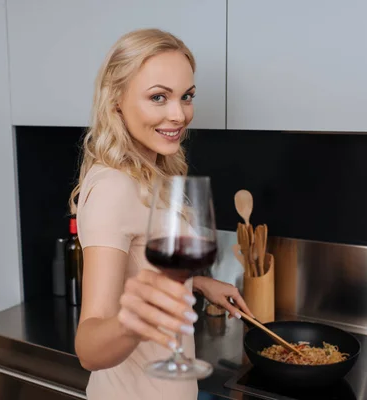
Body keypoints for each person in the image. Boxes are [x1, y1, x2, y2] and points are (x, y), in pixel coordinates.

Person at [69, 28, 253, 400]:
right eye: (158, 97)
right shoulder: (113, 187)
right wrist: (135, 319)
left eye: (186, 97)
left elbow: (141, 266)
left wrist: (195, 284)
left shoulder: (149, 172)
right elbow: (88, 348)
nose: (179, 114)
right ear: (116, 100)